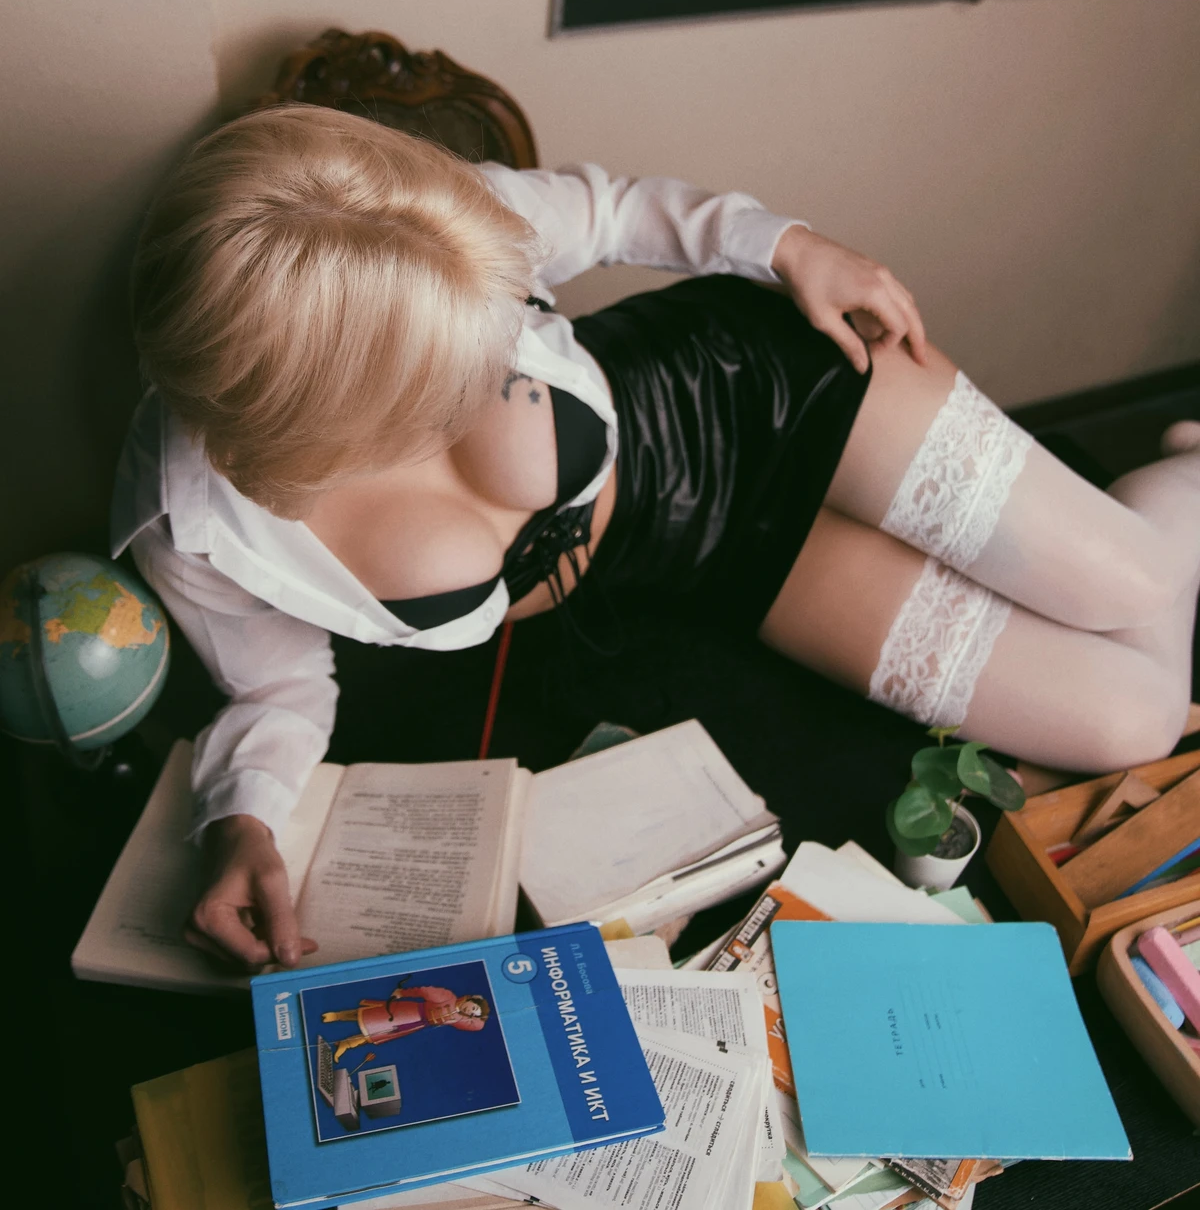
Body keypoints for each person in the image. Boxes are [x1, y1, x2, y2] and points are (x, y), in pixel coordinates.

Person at [112, 105, 1199, 971]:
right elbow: (277, 684)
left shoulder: (399, 226)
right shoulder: (193, 521)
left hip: (754, 390)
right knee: (1134, 717)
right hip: (713, 566)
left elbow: (612, 207)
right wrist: (244, 818)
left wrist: (784, 244)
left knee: (1138, 584)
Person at [320, 983, 489, 1061]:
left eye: (473, 1014)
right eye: (473, 1008)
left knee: (376, 1034)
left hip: (416, 1024)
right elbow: (423, 991)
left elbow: (478, 1026)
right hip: (409, 1011)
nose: (470, 1012)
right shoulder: (448, 997)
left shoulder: (459, 1019)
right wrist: (402, 993)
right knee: (371, 1015)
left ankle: (346, 1044)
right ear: (469, 1000)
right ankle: (336, 1016)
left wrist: (480, 1017)